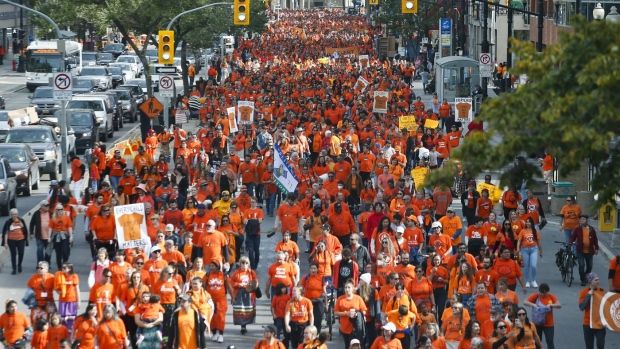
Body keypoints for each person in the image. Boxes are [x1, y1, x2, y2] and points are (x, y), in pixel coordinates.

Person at [523, 283, 561, 349]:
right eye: (541, 293)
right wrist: (533, 305)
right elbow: (525, 302)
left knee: (550, 341)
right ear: (539, 291)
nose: (543, 294)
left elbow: (559, 305)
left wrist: (551, 305)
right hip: (537, 323)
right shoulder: (536, 296)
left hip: (549, 324)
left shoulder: (551, 296)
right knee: (537, 341)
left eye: (545, 293)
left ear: (547, 292)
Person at [335, 280, 368, 349]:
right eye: (345, 287)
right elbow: (336, 312)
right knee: (347, 346)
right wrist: (346, 313)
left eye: (349, 287)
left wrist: (357, 314)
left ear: (353, 288)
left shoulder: (358, 298)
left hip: (356, 327)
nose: (347, 289)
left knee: (356, 346)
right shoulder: (340, 299)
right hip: (345, 327)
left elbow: (364, 310)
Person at [230, 255, 258, 334]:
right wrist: (239, 284)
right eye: (242, 263)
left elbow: (255, 282)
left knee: (247, 310)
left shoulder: (251, 272)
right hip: (239, 293)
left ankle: (245, 324)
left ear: (248, 264)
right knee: (240, 310)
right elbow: (231, 283)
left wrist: (250, 285)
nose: (244, 265)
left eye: (246, 263)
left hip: (249, 294)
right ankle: (243, 326)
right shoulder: (236, 273)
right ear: (240, 264)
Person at [578, 273, 606, 349]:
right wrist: (588, 295)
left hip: (599, 324)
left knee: (601, 345)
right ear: (590, 281)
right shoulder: (584, 292)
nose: (598, 281)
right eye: (596, 280)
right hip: (588, 324)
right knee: (589, 347)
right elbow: (581, 307)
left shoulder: (602, 291)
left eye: (598, 279)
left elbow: (607, 307)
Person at [569, 215, 599, 286]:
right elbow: (572, 237)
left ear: (587, 221)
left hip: (590, 251)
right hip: (580, 251)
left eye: (584, 219)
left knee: (590, 266)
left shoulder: (591, 229)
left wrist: (597, 248)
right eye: (581, 219)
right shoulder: (577, 229)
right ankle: (583, 280)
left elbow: (595, 239)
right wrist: (570, 243)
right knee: (581, 265)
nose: (582, 221)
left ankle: (586, 277)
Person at [516, 218, 542, 288]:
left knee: (533, 266)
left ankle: (533, 280)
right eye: (527, 222)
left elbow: (538, 241)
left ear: (532, 223)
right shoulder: (522, 231)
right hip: (525, 250)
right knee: (526, 266)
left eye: (529, 222)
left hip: (534, 249)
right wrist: (518, 249)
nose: (528, 223)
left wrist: (540, 251)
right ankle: (527, 281)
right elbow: (519, 241)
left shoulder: (535, 231)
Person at [1, 208, 29, 274]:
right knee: (13, 254)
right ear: (10, 215)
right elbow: (5, 233)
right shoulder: (8, 222)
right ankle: (14, 269)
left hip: (21, 239)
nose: (14, 215)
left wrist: (22, 227)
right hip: (11, 240)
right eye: (13, 214)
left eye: (15, 214)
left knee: (21, 253)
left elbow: (25, 230)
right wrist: (5, 243)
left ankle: (19, 265)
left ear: (17, 214)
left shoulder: (21, 220)